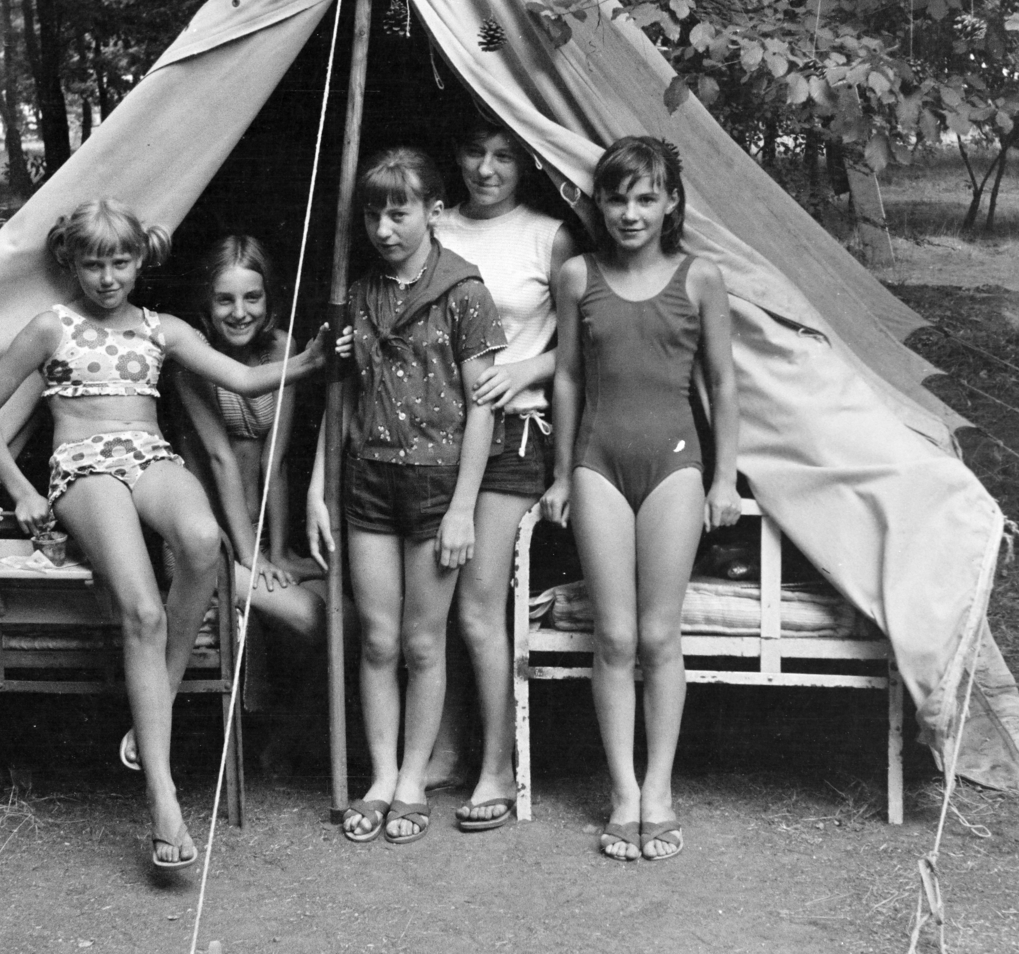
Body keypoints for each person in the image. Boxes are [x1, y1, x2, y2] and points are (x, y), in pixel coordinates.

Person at [0, 199, 324, 871]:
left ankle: (155, 692)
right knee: (143, 609)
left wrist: (305, 363)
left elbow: (244, 376)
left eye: (120, 261)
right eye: (94, 262)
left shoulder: (161, 328)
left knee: (201, 541)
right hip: (84, 464)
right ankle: (162, 800)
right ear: (72, 261)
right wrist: (21, 488)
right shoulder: (52, 327)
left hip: (149, 455)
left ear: (140, 260)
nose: (107, 276)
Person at [540, 137, 741, 863]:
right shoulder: (576, 277)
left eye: (645, 197)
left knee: (659, 636)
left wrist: (724, 477)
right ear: (599, 203)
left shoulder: (699, 279)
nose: (630, 212)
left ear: (671, 204)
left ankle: (660, 788)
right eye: (617, 197)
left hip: (676, 464)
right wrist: (562, 474)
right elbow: (565, 378)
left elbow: (721, 383)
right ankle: (622, 791)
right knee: (616, 637)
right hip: (597, 462)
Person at [307, 148, 506, 845]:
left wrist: (462, 506)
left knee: (424, 642)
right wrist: (314, 486)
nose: (385, 226)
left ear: (433, 211)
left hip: (435, 485)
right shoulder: (357, 293)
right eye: (373, 211)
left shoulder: (464, 292)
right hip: (368, 479)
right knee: (378, 638)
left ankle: (415, 778)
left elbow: (485, 404)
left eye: (400, 211)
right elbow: (341, 396)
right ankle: (382, 775)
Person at [428, 122, 576, 830]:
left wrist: (525, 367)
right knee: (432, 598)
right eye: (474, 152)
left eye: (503, 156)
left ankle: (498, 763)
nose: (487, 168)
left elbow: (580, 349)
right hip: (431, 434)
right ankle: (448, 745)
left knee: (479, 603)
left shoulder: (548, 236)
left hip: (513, 433)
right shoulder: (433, 223)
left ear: (525, 163)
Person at [167, 234, 328, 776]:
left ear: (269, 298)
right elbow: (217, 459)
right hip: (210, 539)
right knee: (308, 619)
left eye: (251, 298)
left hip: (259, 530)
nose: (240, 313)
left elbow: (276, 461)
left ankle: (284, 736)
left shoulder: (285, 350)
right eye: (225, 300)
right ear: (206, 307)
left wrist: (278, 548)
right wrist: (248, 557)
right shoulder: (191, 361)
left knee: (348, 616)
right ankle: (268, 743)